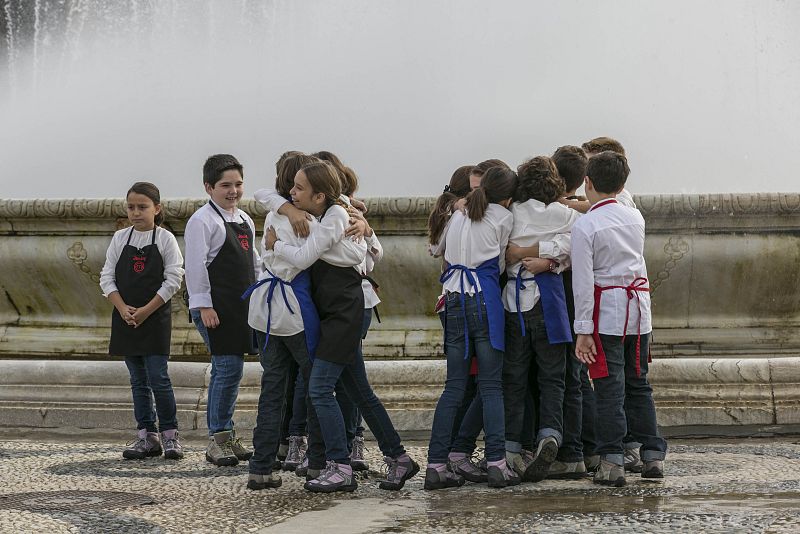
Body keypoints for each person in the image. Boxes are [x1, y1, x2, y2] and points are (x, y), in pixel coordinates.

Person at [266, 161, 418, 493]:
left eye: (299, 188)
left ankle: (339, 466)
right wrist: (287, 208)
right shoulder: (330, 212)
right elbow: (268, 195)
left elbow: (306, 257)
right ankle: (399, 458)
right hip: (335, 311)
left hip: (344, 314)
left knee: (320, 388)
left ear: (320, 195)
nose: (292, 193)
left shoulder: (336, 216)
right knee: (360, 392)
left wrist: (274, 244)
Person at [571, 151, 667, 486]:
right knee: (639, 384)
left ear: (587, 183)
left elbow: (583, 283)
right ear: (623, 184)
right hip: (638, 311)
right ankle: (652, 454)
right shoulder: (635, 218)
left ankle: (611, 460)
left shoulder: (586, 226)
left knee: (609, 386)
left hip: (608, 312)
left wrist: (582, 329)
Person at [425, 166, 518, 490]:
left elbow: (436, 250)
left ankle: (437, 464)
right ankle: (496, 463)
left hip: (453, 299)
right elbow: (503, 264)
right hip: (484, 298)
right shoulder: (503, 217)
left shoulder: (457, 216)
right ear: (507, 198)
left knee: (453, 386)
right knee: (491, 386)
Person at [245, 153, 333, 490]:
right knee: (317, 387)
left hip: (264, 309)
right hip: (295, 309)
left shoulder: (272, 214)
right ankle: (317, 463)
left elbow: (264, 195)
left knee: (272, 389)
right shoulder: (306, 222)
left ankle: (261, 466)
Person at [501, 156, 579, 482]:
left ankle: (511, 448)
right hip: (548, 304)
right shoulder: (567, 215)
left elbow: (500, 254)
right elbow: (577, 244)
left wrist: (519, 254)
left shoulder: (510, 214)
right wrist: (548, 254)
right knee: (553, 378)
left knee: (515, 379)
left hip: (513, 306)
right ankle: (550, 434)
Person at [100, 182, 185, 460]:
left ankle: (170, 435)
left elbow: (173, 278)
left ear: (157, 209)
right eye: (131, 207)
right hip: (126, 319)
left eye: (142, 207)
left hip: (154, 318)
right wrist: (123, 308)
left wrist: (146, 310)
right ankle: (146, 435)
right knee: (137, 380)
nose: (136, 213)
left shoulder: (165, 239)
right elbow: (106, 277)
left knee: (159, 377)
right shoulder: (120, 238)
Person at [185, 154, 260, 466]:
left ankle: (228, 435)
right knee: (226, 369)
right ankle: (217, 439)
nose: (233, 191)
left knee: (234, 371)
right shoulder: (202, 221)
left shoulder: (245, 220)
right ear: (208, 187)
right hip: (215, 309)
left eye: (238, 184)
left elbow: (253, 263)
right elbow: (195, 266)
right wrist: (203, 306)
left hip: (240, 308)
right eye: (225, 185)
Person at [548, 145, 597, 478]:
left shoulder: (550, 210)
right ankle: (592, 447)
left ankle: (572, 449)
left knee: (564, 378)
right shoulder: (588, 211)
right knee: (579, 377)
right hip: (583, 296)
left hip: (559, 296)